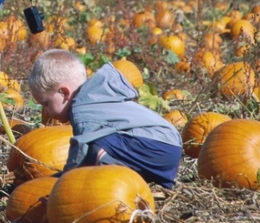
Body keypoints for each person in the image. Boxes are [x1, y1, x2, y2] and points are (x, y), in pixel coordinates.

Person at [28, 49, 182, 188]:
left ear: (64, 93)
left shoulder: (80, 110)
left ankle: (107, 168)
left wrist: (62, 183)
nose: (46, 111)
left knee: (94, 148)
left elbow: (80, 150)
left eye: (46, 103)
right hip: (166, 147)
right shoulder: (96, 96)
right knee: (99, 145)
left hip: (155, 145)